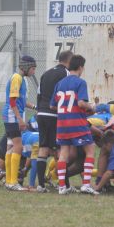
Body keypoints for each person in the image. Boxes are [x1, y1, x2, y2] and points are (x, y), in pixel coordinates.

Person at [50, 54, 98, 195]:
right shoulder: (80, 82)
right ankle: (86, 185)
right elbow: (81, 103)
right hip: (77, 123)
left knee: (63, 153)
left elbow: (53, 106)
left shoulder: (60, 83)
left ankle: (62, 187)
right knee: (90, 150)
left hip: (62, 123)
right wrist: (92, 107)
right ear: (81, 67)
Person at [35, 50, 73, 192]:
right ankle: (65, 185)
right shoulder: (66, 74)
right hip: (55, 115)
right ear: (69, 61)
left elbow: (39, 94)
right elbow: (68, 94)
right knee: (60, 150)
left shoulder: (45, 73)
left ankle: (40, 185)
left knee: (43, 148)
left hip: (41, 114)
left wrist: (39, 110)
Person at [2, 55, 37, 191]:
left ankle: (9, 181)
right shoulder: (17, 78)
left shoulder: (21, 79)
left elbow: (21, 101)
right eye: (33, 68)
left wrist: (35, 107)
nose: (34, 72)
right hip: (12, 116)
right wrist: (20, 119)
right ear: (26, 67)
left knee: (10, 147)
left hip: (11, 116)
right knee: (18, 146)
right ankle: (13, 182)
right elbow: (12, 101)